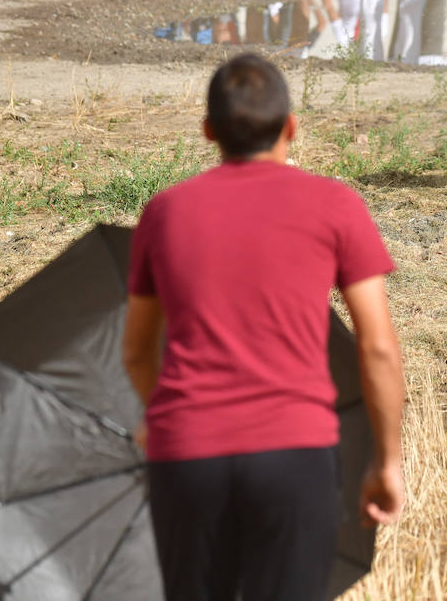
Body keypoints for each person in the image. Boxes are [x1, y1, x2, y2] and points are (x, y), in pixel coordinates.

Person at [122, 53, 405, 601]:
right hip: (293, 458)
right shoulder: (335, 206)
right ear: (291, 127)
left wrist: (161, 414)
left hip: (187, 459)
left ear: (208, 132)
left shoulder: (165, 212)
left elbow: (136, 352)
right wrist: (387, 460)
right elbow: (377, 349)